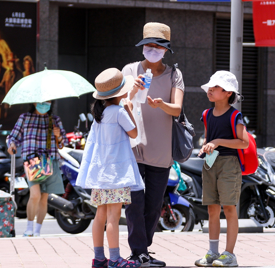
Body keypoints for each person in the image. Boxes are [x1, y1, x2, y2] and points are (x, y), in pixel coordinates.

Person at [122, 22, 184, 267]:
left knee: (153, 205)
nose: (152, 50)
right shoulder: (129, 69)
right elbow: (119, 104)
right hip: (133, 148)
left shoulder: (174, 75)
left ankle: (142, 250)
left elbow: (177, 109)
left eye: (158, 46)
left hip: (161, 152)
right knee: (134, 203)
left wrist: (162, 105)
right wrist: (132, 90)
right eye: (148, 45)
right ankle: (138, 252)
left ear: (166, 50)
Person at [76, 68, 145, 268]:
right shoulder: (119, 112)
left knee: (100, 216)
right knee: (114, 217)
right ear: (121, 93)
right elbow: (134, 133)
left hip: (101, 174)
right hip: (116, 174)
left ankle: (99, 258)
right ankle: (115, 260)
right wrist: (130, 108)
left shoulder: (101, 113)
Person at [195, 71, 249, 267]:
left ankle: (230, 254)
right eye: (210, 86)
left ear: (228, 93)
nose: (210, 89)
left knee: (229, 208)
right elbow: (208, 138)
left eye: (215, 87)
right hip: (210, 162)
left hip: (229, 164)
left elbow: (244, 143)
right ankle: (212, 252)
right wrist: (206, 145)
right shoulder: (206, 114)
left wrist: (217, 142)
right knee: (212, 209)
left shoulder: (236, 115)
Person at [7, 101, 67, 237]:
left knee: (44, 198)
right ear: (34, 102)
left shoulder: (55, 120)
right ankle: (29, 228)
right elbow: (13, 137)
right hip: (32, 161)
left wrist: (59, 136)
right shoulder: (25, 117)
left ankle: (37, 231)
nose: (44, 105)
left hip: (49, 161)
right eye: (41, 102)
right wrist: (11, 145)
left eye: (48, 102)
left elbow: (63, 143)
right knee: (35, 195)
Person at [0, 52, 23, 118]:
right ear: (8, 63)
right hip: (7, 104)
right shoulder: (7, 73)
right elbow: (2, 85)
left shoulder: (19, 74)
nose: (12, 64)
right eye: (10, 62)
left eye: (13, 62)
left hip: (16, 104)